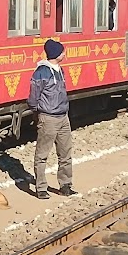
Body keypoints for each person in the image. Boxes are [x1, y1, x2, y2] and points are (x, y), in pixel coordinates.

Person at [27, 38, 75, 199]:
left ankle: (65, 185)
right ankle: (41, 188)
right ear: (56, 54)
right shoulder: (41, 72)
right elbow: (33, 98)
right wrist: (38, 112)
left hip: (63, 117)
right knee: (42, 155)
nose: (65, 53)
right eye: (63, 51)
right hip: (48, 118)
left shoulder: (60, 70)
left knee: (65, 153)